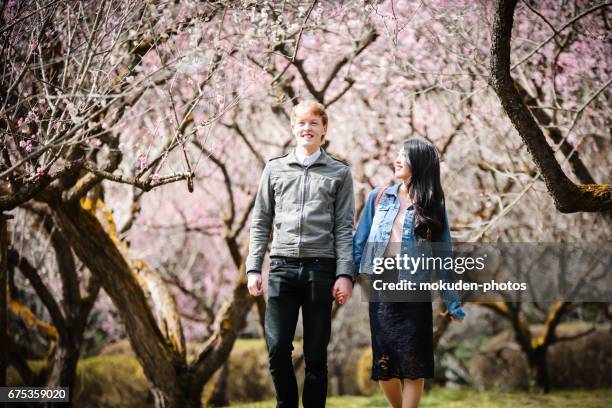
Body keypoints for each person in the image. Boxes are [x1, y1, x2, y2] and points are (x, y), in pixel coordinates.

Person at [246, 100, 355, 408]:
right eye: (301, 123)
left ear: (324, 130)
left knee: (316, 354)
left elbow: (345, 228)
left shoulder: (339, 173)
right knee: (278, 347)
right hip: (282, 267)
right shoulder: (275, 168)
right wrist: (254, 268)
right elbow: (261, 221)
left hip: (321, 269)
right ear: (293, 128)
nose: (307, 128)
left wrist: (345, 274)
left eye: (313, 123)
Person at [353, 137, 466, 408]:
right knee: (385, 365)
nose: (398, 159)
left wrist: (451, 300)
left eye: (405, 155)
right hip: (382, 288)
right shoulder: (378, 197)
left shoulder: (434, 205)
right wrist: (344, 278)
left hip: (415, 289)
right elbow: (359, 241)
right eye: (398, 154)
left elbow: (443, 254)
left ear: (421, 163)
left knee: (413, 364)